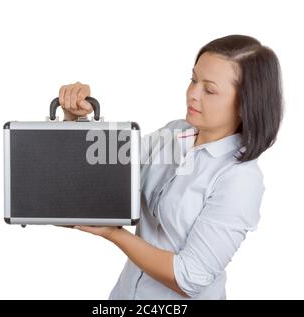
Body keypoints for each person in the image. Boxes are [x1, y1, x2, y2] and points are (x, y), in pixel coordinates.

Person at [58, 34, 283, 299]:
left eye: (209, 89)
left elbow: (189, 278)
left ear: (246, 104)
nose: (192, 94)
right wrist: (74, 117)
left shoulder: (240, 179)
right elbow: (96, 174)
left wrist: (114, 234)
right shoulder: (175, 134)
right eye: (193, 80)